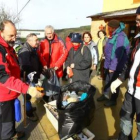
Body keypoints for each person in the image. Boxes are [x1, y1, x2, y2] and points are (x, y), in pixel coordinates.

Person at [0, 20, 43, 140]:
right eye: (11, 36)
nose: (14, 39)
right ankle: (7, 136)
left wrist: (22, 75)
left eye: (15, 35)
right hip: (3, 94)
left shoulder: (9, 47)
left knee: (12, 117)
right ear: (1, 32)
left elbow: (14, 67)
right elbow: (3, 77)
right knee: (5, 122)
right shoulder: (1, 50)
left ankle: (12, 133)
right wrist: (27, 88)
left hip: (11, 92)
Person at [110, 6, 140, 140]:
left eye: (139, 20)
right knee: (125, 118)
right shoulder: (137, 39)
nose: (137, 23)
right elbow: (130, 62)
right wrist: (120, 79)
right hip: (131, 90)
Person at [97, 19, 130, 107]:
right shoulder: (114, 35)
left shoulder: (120, 37)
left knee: (114, 83)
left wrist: (112, 67)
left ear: (112, 28)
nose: (107, 29)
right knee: (107, 80)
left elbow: (117, 54)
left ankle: (113, 100)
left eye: (108, 27)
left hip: (115, 66)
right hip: (109, 64)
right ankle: (105, 95)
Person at [18, 33, 43, 121]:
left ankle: (29, 108)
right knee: (27, 96)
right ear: (29, 41)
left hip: (32, 76)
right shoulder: (25, 51)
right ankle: (29, 114)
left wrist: (40, 71)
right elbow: (26, 66)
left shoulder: (33, 49)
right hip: (26, 78)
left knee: (29, 95)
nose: (38, 42)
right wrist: (34, 76)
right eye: (36, 40)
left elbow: (37, 62)